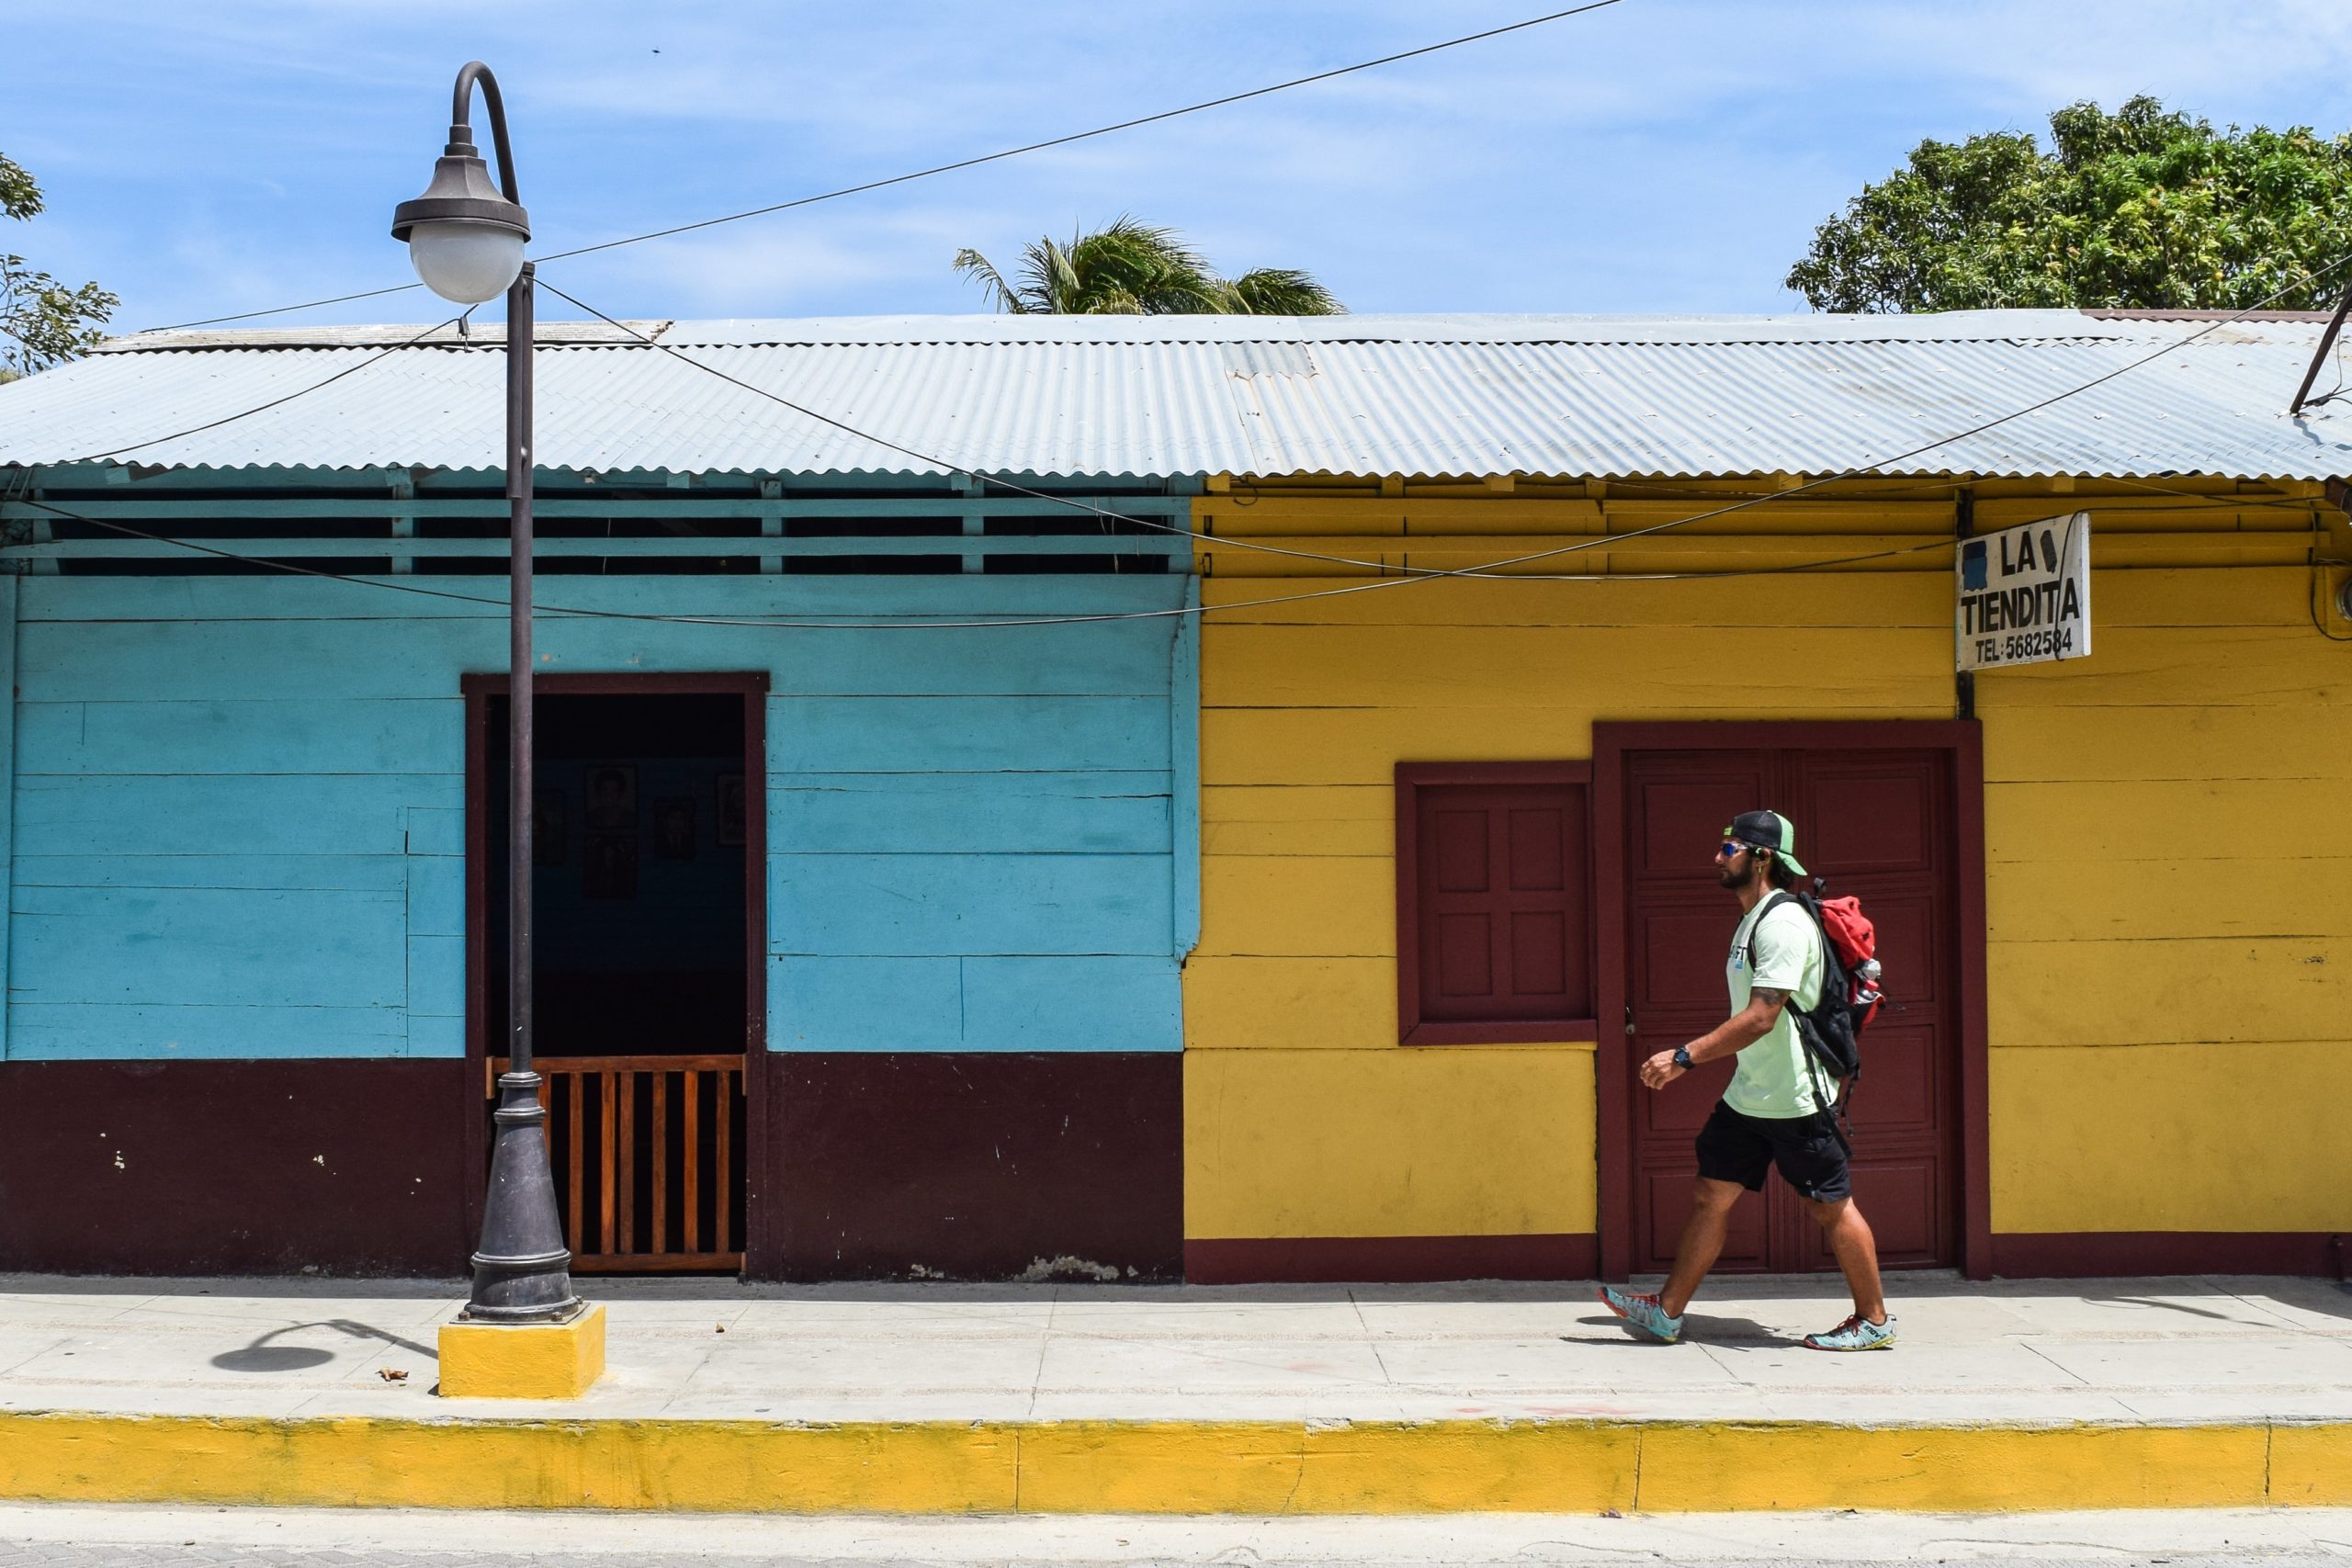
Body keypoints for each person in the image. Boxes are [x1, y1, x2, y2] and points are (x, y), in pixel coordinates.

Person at [1599, 809, 1896, 1352]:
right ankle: (1666, 1313)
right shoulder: (1753, 917)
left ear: (1762, 858)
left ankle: (1873, 1320)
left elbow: (1763, 1015)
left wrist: (1684, 1056)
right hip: (1752, 1095)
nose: (1717, 857)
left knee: (1830, 1207)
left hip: (1796, 1097)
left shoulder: (1781, 923)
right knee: (1711, 1192)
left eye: (1729, 848)